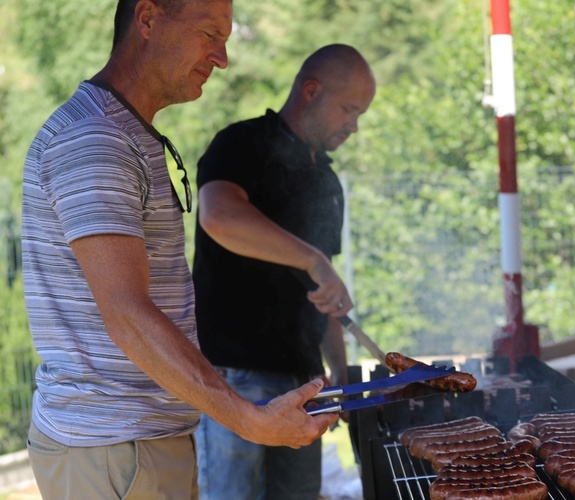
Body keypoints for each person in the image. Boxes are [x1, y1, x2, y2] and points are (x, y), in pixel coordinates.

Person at [21, 1, 339, 498]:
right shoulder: (95, 140)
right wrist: (250, 420)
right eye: (211, 33)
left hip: (136, 448)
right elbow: (127, 315)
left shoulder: (124, 132)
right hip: (115, 450)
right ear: (147, 20)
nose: (222, 58)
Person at [192, 43, 377, 499]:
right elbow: (218, 216)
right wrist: (312, 258)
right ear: (311, 90)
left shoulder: (327, 181)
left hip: (304, 381)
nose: (354, 126)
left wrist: (340, 368)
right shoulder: (243, 143)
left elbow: (323, 291)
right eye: (349, 110)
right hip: (233, 377)